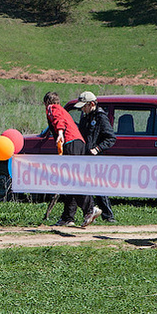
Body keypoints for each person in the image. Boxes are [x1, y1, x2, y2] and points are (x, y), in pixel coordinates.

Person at [44, 91, 101, 228]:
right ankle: (67, 217)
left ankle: (90, 209)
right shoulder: (63, 109)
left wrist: (60, 134)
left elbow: (59, 121)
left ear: (46, 103)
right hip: (79, 143)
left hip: (70, 143)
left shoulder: (53, 108)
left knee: (71, 180)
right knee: (69, 181)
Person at [75, 91, 118, 225]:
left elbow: (111, 138)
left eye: (84, 106)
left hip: (96, 158)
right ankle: (92, 212)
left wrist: (98, 148)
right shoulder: (85, 117)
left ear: (91, 104)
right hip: (84, 157)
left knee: (98, 186)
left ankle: (108, 216)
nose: (82, 109)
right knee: (85, 186)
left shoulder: (100, 117)